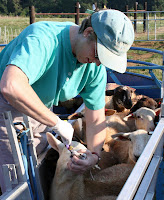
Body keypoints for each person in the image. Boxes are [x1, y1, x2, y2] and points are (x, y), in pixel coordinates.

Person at [0, 9, 134, 193]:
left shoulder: (93, 66)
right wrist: (56, 122)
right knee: (17, 180)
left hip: (39, 108)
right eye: (98, 55)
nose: (97, 63)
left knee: (38, 166)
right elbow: (11, 86)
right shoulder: (42, 40)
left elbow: (95, 118)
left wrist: (94, 155)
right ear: (87, 33)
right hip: (5, 107)